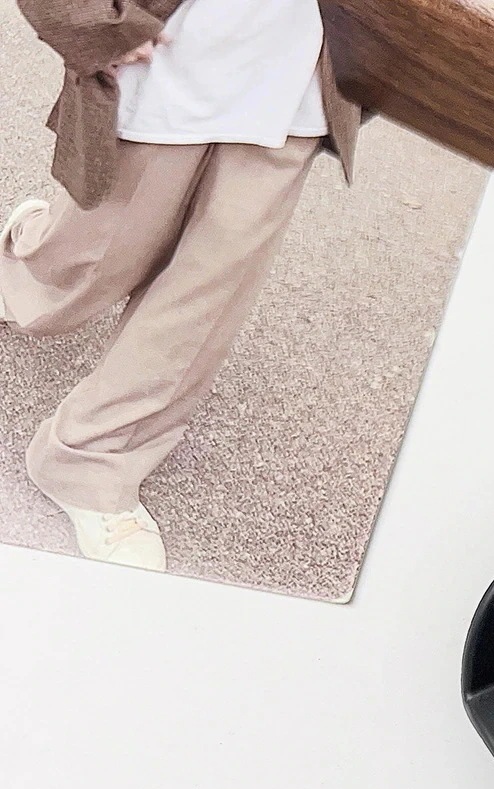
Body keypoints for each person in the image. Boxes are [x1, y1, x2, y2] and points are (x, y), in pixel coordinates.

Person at [0, 0, 361, 570]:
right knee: (95, 259)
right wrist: (88, 21)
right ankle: (20, 267)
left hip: (299, 72)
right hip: (162, 53)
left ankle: (91, 462)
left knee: (204, 296)